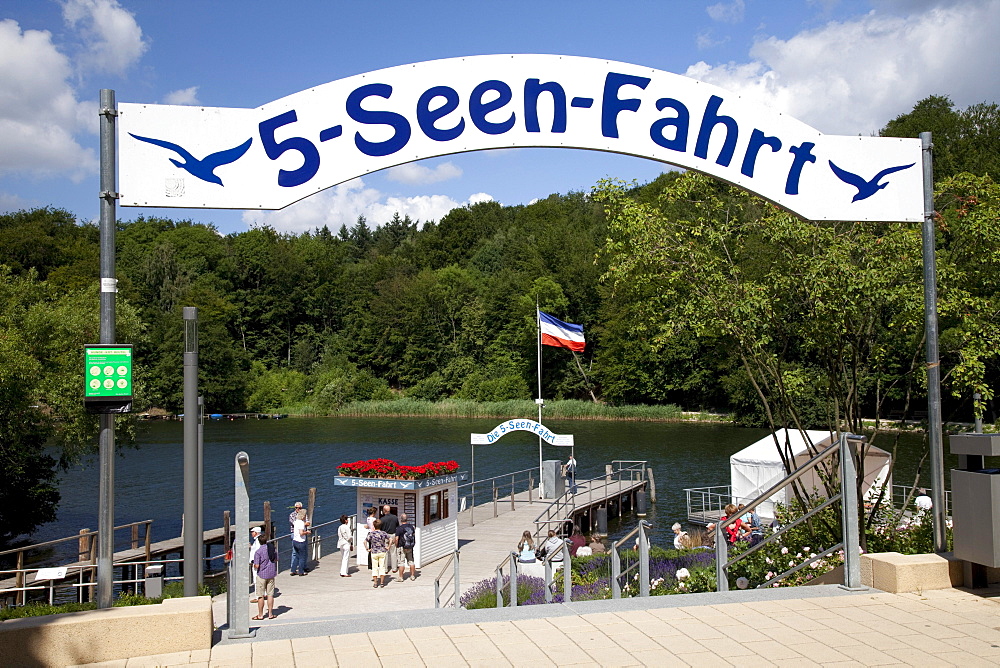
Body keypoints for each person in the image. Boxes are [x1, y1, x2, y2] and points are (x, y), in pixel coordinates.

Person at [251, 534, 278, 620]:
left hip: (262, 575)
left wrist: (253, 564)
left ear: (259, 542)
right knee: (270, 595)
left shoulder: (258, 552)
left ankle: (260, 615)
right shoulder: (272, 549)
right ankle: (270, 614)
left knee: (260, 596)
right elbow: (276, 559)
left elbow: (257, 565)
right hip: (271, 574)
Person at [365, 518, 390, 588]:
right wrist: (388, 546)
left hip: (374, 552)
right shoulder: (383, 533)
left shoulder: (371, 533)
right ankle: (382, 583)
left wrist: (367, 548)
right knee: (382, 567)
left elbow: (365, 541)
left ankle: (375, 582)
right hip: (382, 551)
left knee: (374, 567)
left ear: (374, 526)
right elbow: (390, 539)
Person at [394, 513, 418, 582]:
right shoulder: (411, 527)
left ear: (400, 520)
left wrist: (396, 545)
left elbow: (396, 539)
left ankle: (401, 577)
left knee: (401, 562)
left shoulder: (399, 528)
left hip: (402, 546)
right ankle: (413, 576)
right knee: (411, 561)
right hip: (410, 546)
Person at [380, 505, 400, 576]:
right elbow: (398, 526)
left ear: (384, 511)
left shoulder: (382, 519)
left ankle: (385, 569)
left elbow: (380, 529)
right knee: (393, 552)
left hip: (385, 536)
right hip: (393, 535)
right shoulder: (395, 517)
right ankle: (394, 568)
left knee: (385, 553)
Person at [290, 508, 310, 576]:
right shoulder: (301, 523)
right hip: (301, 541)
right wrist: (307, 532)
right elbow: (301, 533)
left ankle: (293, 569)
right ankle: (301, 571)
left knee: (296, 556)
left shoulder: (296, 522)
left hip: (295, 540)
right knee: (302, 557)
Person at [249, 526, 264, 602]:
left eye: (252, 532)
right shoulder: (258, 540)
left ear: (256, 533)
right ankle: (262, 593)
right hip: (258, 562)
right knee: (260, 578)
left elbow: (258, 552)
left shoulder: (257, 541)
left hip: (256, 562)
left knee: (256, 578)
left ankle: (258, 596)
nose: (251, 533)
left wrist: (255, 562)